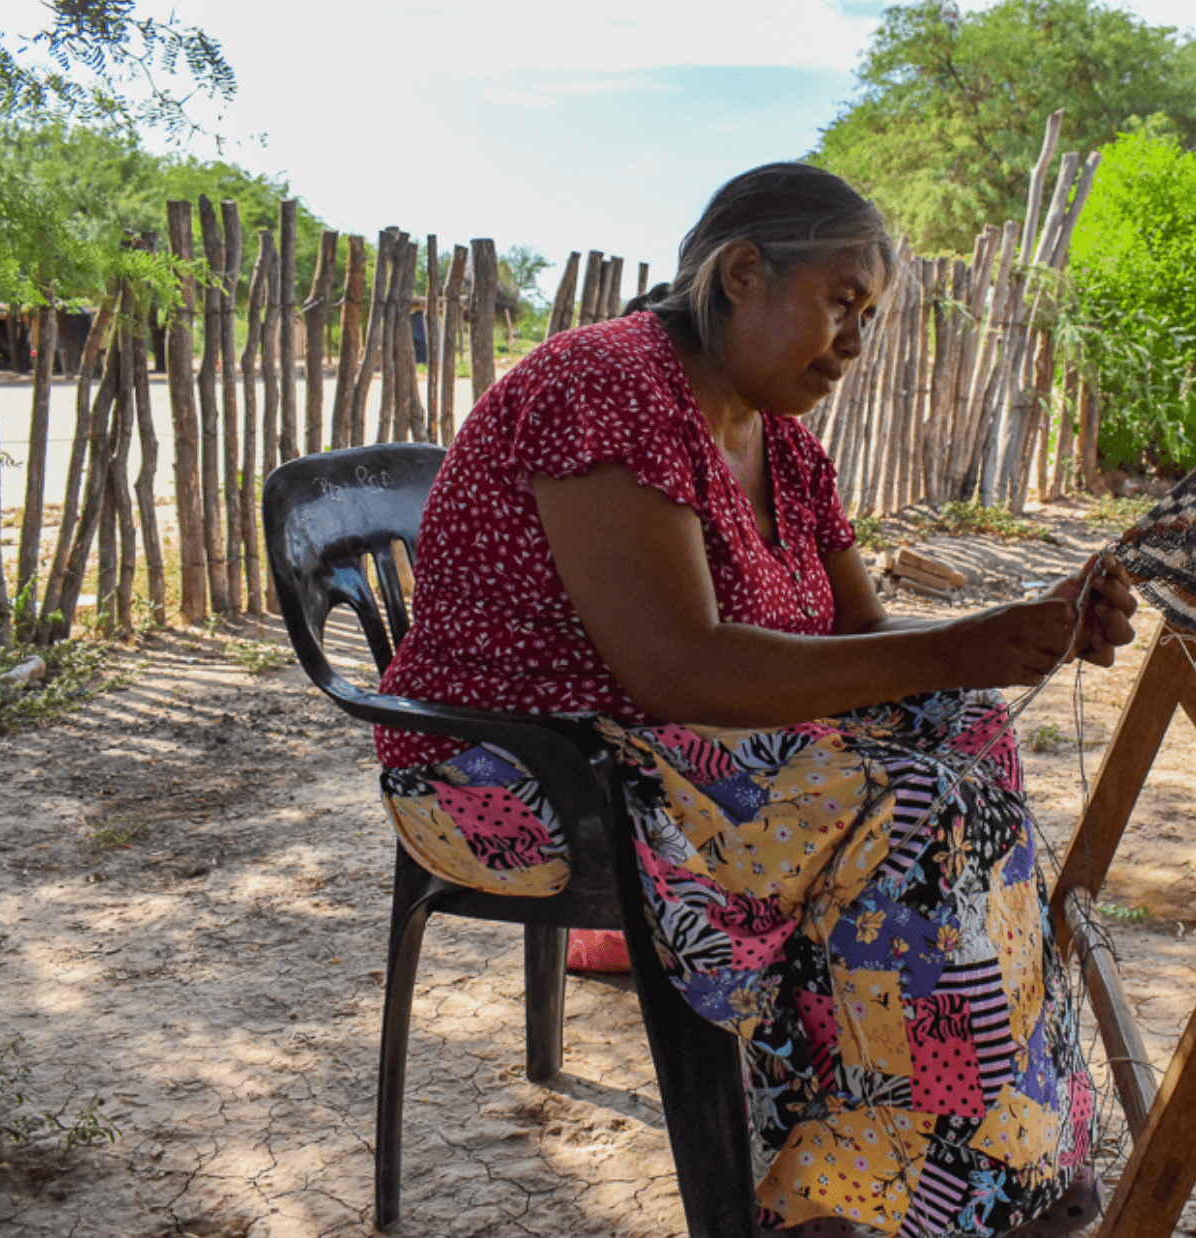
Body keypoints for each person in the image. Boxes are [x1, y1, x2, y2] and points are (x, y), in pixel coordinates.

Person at [373, 162, 1138, 1238]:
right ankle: (867, 1200)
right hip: (514, 772)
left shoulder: (784, 443)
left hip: (661, 749)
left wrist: (1024, 629)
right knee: (918, 807)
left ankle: (989, 1158)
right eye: (841, 303)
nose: (855, 345)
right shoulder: (608, 386)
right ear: (742, 273)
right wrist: (969, 642)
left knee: (961, 737)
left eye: (868, 318)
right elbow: (676, 668)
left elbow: (860, 643)